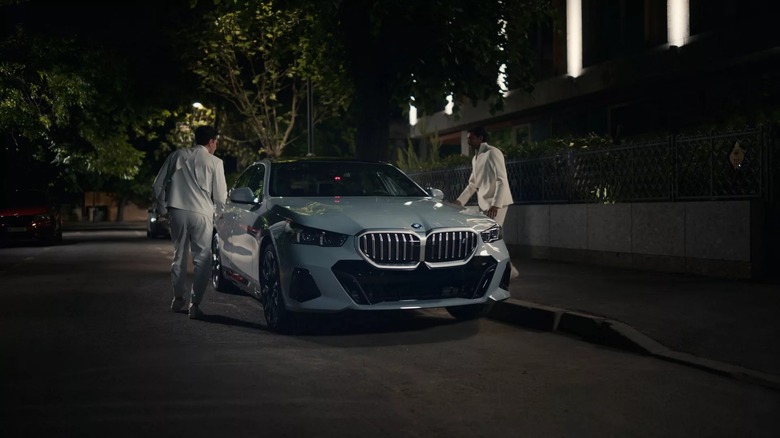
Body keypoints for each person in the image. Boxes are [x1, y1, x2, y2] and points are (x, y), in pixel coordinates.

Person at [152, 125, 228, 319]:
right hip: (202, 213)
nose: (216, 146)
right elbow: (220, 197)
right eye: (216, 142)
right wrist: (219, 217)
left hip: (177, 211)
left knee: (179, 256)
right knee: (202, 259)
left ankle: (178, 298)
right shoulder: (215, 162)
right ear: (211, 141)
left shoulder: (177, 155)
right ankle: (195, 305)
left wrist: (163, 211)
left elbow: (157, 185)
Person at [453, 126, 519, 278]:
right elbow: (472, 185)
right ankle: (509, 270)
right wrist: (459, 201)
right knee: (492, 238)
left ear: (480, 138)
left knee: (492, 237)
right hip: (485, 205)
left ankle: (507, 271)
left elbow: (502, 179)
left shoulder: (493, 152)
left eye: (471, 138)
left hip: (497, 205)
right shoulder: (475, 158)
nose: (468, 141)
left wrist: (496, 204)